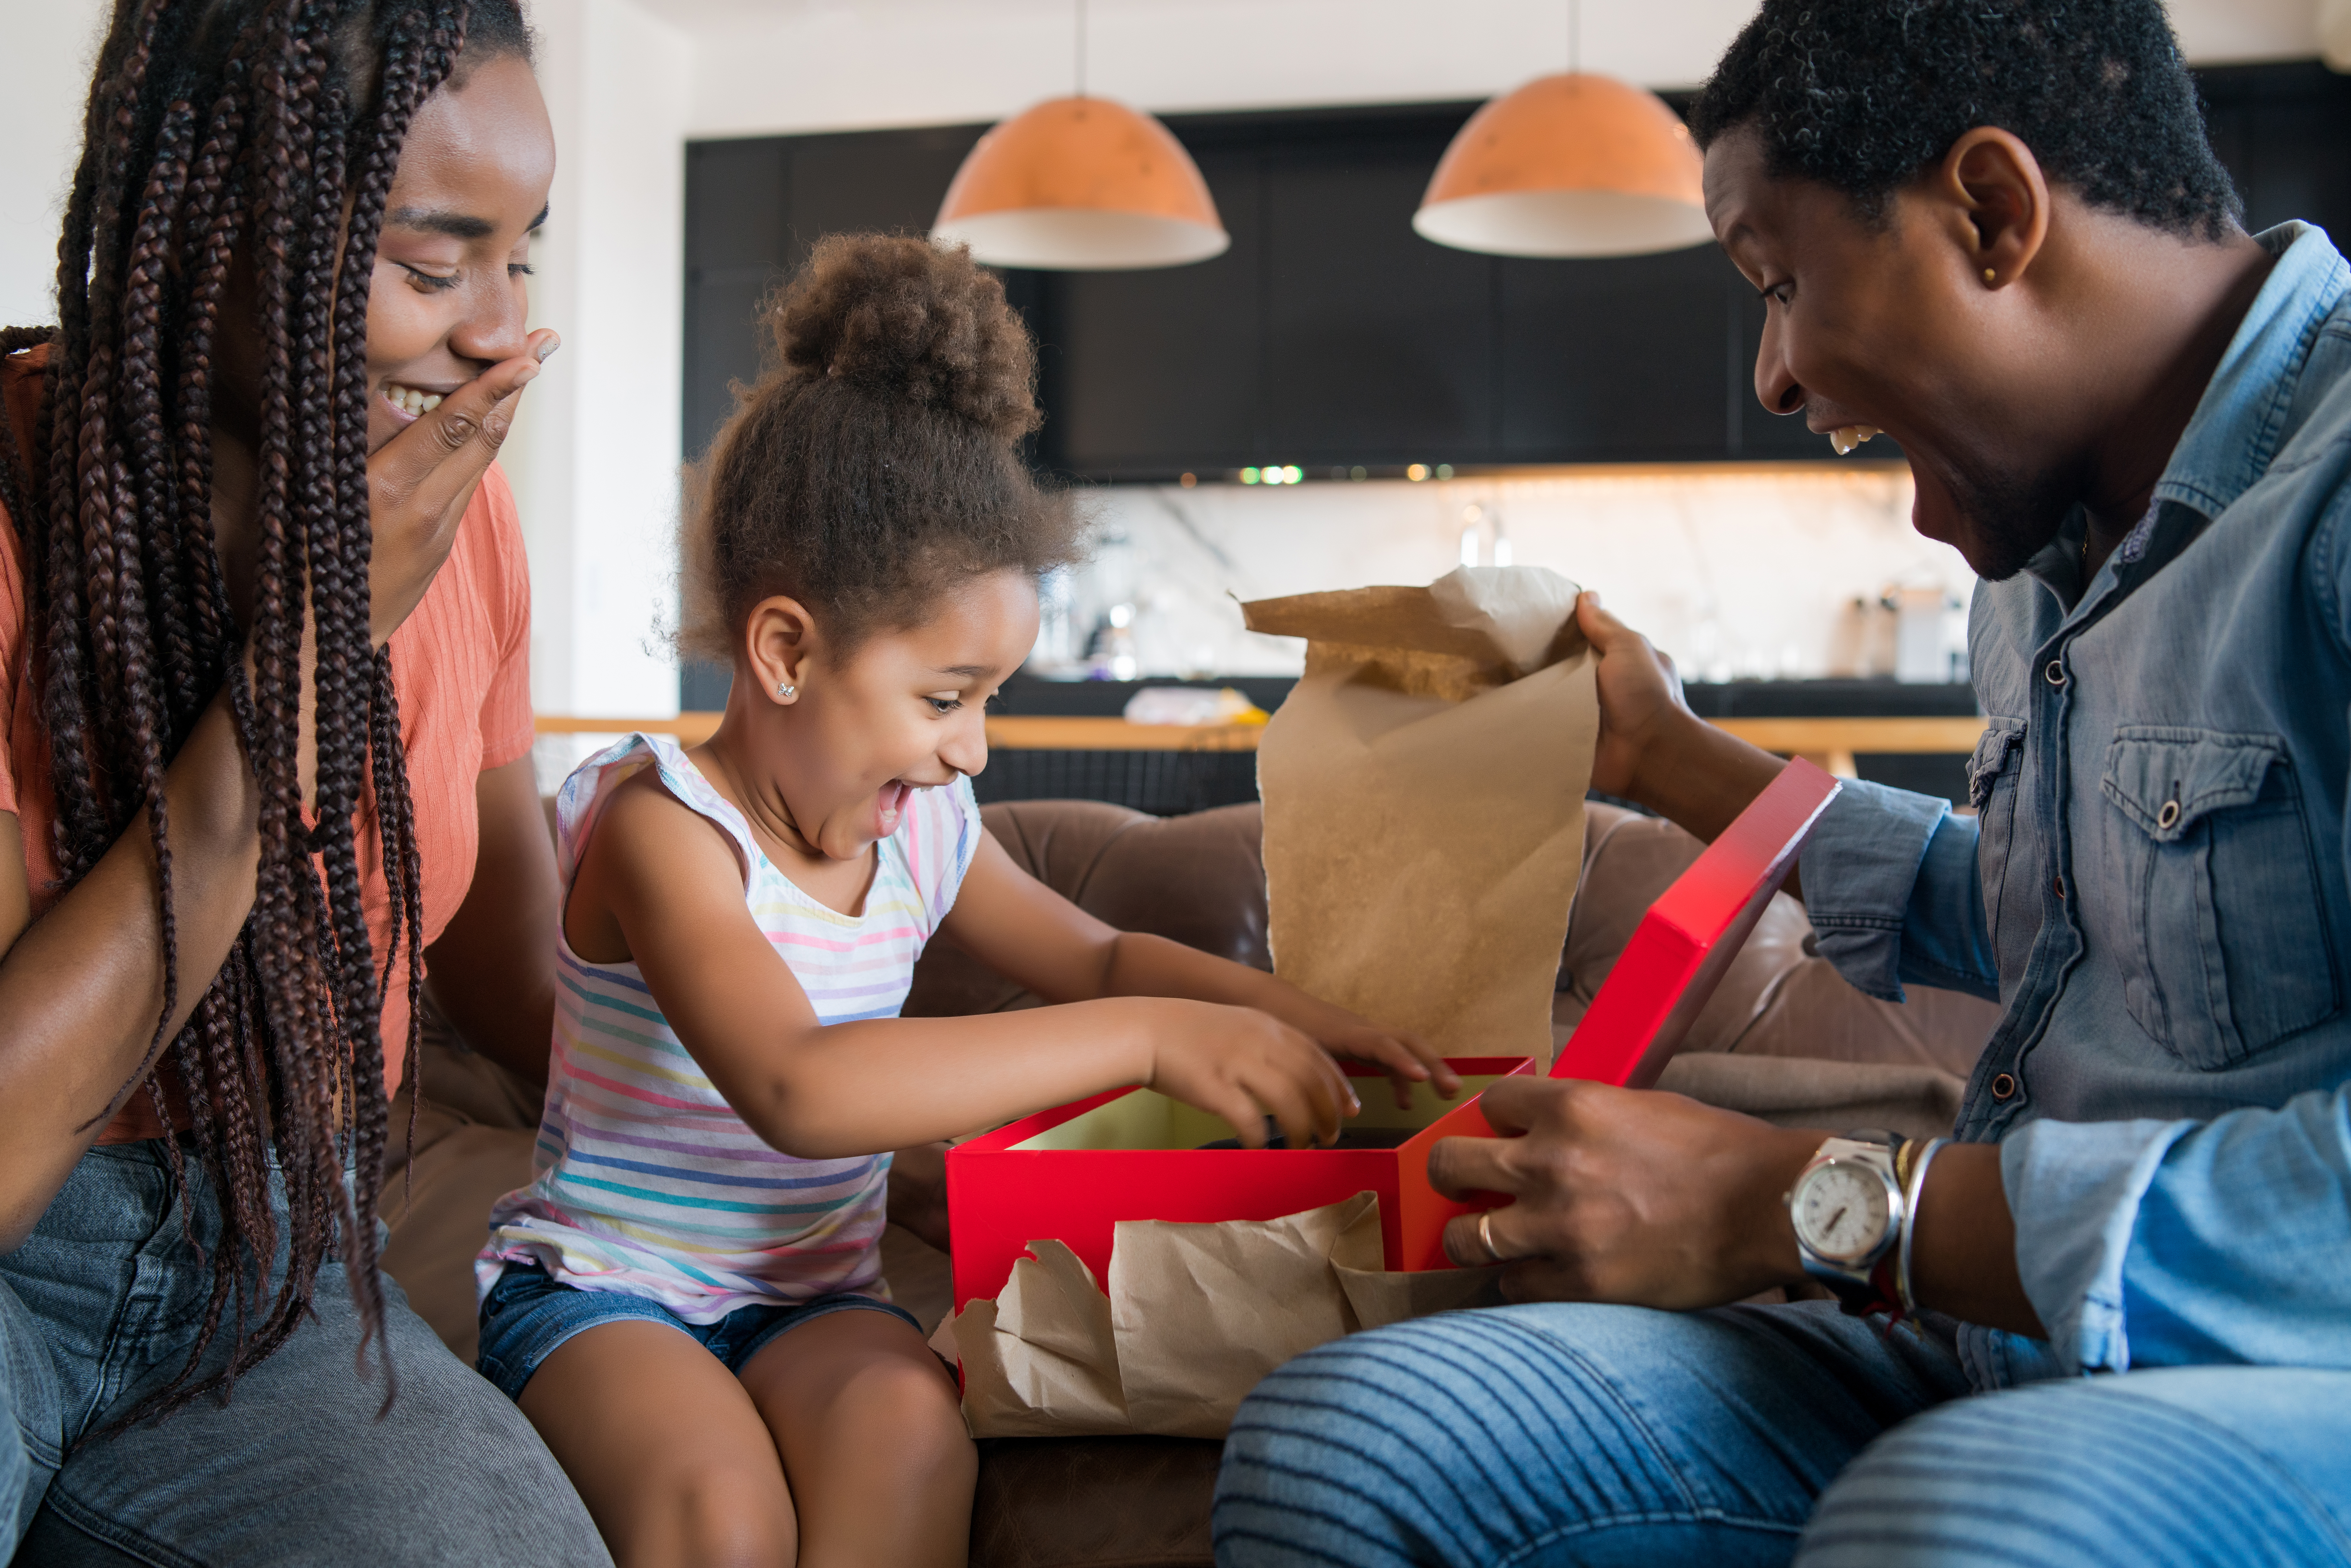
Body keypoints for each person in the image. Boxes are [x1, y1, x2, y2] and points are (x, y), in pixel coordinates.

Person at [1213, 2, 2351, 1564]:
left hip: (2281, 1370)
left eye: (1778, 284)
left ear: (1989, 214)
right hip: (1987, 1339)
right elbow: (2074, 920)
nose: (1769, 374)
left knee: (1960, 1518)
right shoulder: (2038, 548)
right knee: (1349, 1449)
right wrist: (1668, 761)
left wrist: (1809, 1202)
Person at [472, 232, 1455, 1568]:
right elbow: (800, 1085)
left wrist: (1297, 1019)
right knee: (722, 1516)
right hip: (610, 1295)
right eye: (944, 699)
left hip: (812, 1299)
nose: (973, 749)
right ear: (785, 652)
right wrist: (1152, 1042)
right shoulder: (664, 831)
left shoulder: (925, 829)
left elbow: (1102, 962)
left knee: (915, 1441)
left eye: (989, 700)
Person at [0, 0, 610, 1560]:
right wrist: (311, 664)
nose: (500, 331)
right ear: (213, 225)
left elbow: (520, 983)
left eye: (522, 256)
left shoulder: (464, 523)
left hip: (276, 1263)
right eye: (430, 266)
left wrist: (828, 1108)